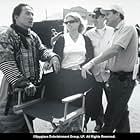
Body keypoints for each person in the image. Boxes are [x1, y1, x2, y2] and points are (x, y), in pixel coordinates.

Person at [0, 3, 60, 133]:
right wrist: (24, 83)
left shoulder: (33, 36)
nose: (31, 17)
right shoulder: (7, 35)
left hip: (32, 89)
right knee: (9, 124)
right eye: (27, 13)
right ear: (16, 17)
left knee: (27, 121)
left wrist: (52, 57)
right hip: (13, 89)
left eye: (32, 14)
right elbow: (6, 63)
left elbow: (42, 50)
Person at [81, 5, 138, 133]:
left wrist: (91, 63)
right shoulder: (117, 31)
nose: (105, 18)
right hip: (115, 78)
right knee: (121, 114)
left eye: (107, 15)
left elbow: (115, 50)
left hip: (123, 79)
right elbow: (113, 56)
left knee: (111, 116)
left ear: (117, 14)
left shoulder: (128, 28)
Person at [43, 12, 95, 132]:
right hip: (64, 77)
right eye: (66, 22)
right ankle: (65, 131)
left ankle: (77, 129)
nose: (68, 24)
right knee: (65, 109)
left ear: (78, 22)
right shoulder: (62, 39)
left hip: (80, 76)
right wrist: (49, 62)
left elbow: (90, 57)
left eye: (71, 21)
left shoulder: (85, 39)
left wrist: (84, 67)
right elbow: (55, 56)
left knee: (79, 107)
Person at [84, 7, 114, 132]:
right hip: (95, 73)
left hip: (110, 74)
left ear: (103, 17)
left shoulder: (114, 32)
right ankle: (99, 123)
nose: (94, 20)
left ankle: (111, 124)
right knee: (96, 101)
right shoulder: (88, 34)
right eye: (93, 17)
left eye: (96, 17)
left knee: (113, 101)